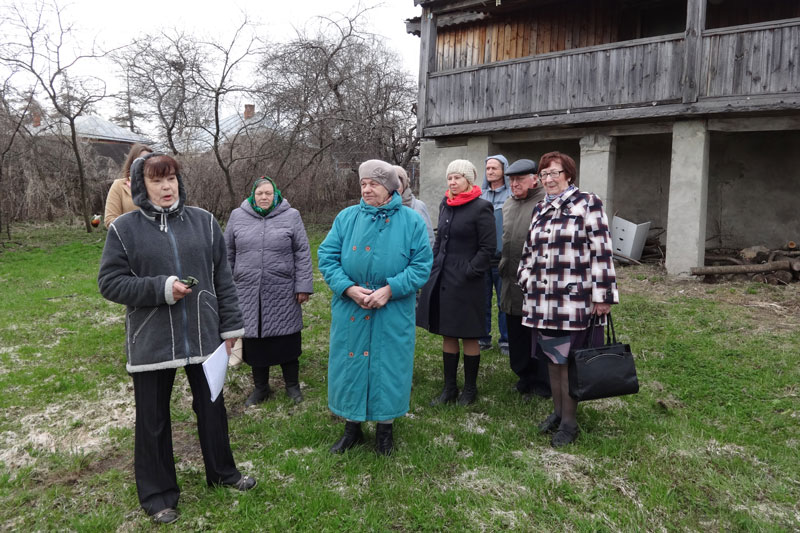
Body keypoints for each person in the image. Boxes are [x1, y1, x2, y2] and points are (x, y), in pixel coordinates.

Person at [98, 153, 256, 525]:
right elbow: (110, 283)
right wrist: (162, 288)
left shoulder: (203, 223)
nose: (166, 187)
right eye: (156, 180)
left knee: (213, 409)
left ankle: (223, 472)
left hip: (204, 335)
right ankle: (158, 496)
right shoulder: (125, 229)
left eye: (170, 178)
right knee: (152, 420)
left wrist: (232, 328)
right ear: (141, 186)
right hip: (151, 340)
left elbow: (224, 279)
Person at [318, 160, 432, 455]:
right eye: (364, 184)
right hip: (351, 310)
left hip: (392, 312)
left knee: (389, 366)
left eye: (374, 184)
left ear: (390, 188)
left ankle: (385, 431)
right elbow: (327, 256)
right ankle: (351, 428)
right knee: (350, 365)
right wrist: (348, 288)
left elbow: (421, 265)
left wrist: (391, 289)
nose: (367, 189)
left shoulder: (412, 221)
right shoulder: (346, 218)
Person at [517, 151, 619, 447]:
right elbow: (528, 252)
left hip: (574, 298)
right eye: (544, 174)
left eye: (554, 173)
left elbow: (602, 251)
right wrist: (526, 279)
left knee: (571, 360)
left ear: (568, 175)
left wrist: (603, 296)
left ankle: (570, 424)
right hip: (541, 299)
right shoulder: (539, 209)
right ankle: (558, 413)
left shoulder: (587, 203)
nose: (549, 179)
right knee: (552, 358)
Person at [224, 176, 313, 406]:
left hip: (283, 289)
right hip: (247, 289)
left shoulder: (291, 216)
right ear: (252, 195)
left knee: (287, 340)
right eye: (259, 193)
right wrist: (227, 286)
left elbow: (302, 251)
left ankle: (292, 386)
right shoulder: (237, 216)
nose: (264, 197)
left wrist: (303, 285)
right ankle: (261, 388)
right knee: (255, 341)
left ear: (276, 195)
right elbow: (228, 253)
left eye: (268, 193)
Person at [417, 159, 495, 406]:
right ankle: (449, 388)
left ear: (469, 180)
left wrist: (470, 271)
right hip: (443, 276)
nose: (452, 182)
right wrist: (435, 264)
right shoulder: (446, 204)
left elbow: (488, 248)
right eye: (450, 178)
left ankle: (470, 390)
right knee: (447, 332)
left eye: (457, 178)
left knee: (469, 335)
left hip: (468, 280)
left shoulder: (482, 207)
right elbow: (441, 238)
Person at [498, 159, 551, 399]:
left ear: (535, 179)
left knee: (537, 332)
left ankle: (543, 381)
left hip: (536, 281)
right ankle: (523, 375)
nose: (514, 183)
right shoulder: (508, 204)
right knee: (515, 329)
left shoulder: (545, 203)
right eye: (511, 179)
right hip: (509, 279)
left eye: (519, 179)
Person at [479, 154, 511, 354]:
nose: (490, 172)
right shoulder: (479, 195)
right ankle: (483, 338)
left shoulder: (510, 195)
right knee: (481, 300)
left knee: (503, 301)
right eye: (488, 168)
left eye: (494, 168)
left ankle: (506, 340)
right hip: (482, 258)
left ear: (504, 171)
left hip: (503, 258)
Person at [104, 142, 152, 228]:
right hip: (131, 239)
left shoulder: (159, 186)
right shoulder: (119, 185)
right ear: (132, 163)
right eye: (141, 160)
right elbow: (109, 220)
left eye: (149, 161)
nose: (145, 164)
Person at [394, 165, 435, 250]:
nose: (394, 188)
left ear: (404, 184)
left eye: (397, 184)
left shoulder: (418, 206)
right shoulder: (380, 206)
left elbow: (428, 239)